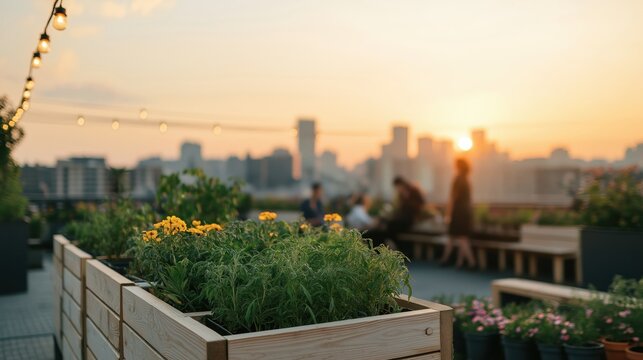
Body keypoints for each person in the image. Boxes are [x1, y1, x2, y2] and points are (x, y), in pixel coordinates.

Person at [366, 176, 425, 249]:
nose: (397, 189)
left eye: (397, 187)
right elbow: (399, 209)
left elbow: (420, 204)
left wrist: (408, 199)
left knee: (387, 227)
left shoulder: (413, 191)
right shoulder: (400, 194)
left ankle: (391, 245)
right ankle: (380, 240)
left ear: (401, 184)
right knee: (383, 225)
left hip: (408, 220)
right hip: (400, 219)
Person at [439, 158, 477, 269]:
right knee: (462, 237)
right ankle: (459, 262)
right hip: (466, 212)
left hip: (458, 212)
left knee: (457, 238)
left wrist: (448, 214)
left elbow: (452, 198)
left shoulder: (457, 179)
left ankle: (471, 262)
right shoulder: (466, 180)